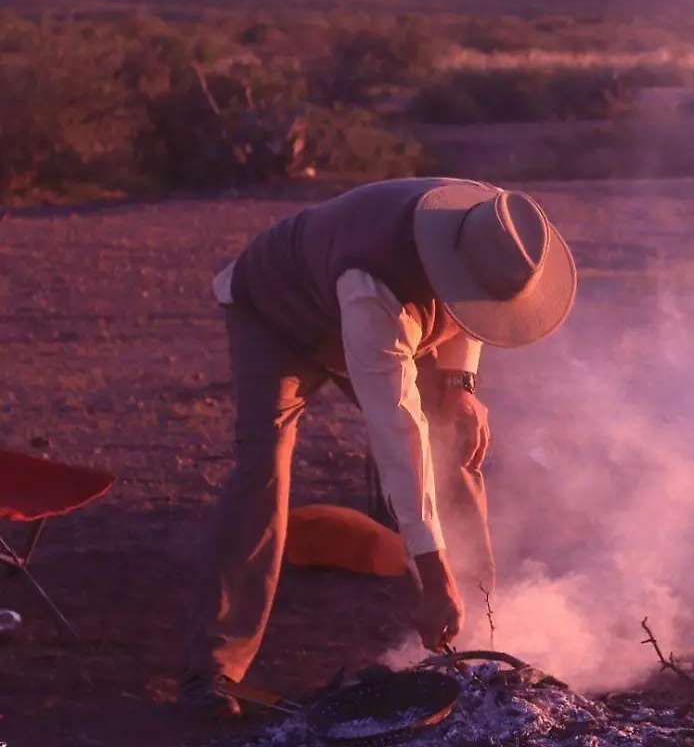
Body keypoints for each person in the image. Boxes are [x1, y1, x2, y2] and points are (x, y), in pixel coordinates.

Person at [178, 178, 577, 719]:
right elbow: (398, 438)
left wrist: (460, 387)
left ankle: (480, 639)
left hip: (376, 307)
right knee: (264, 467)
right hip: (279, 311)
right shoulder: (374, 286)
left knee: (453, 442)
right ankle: (214, 670)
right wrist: (433, 577)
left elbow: (475, 306)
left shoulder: (494, 226)